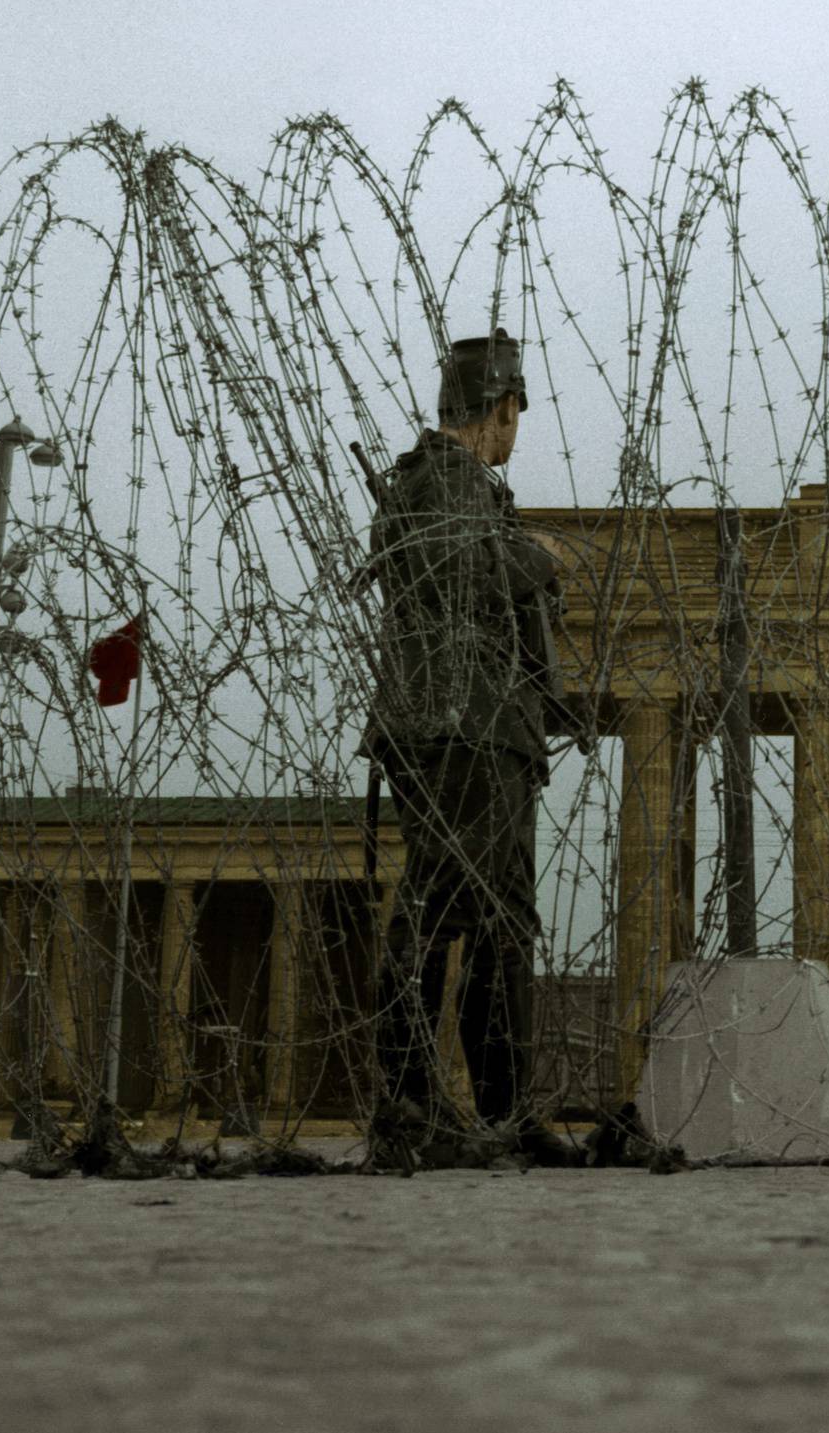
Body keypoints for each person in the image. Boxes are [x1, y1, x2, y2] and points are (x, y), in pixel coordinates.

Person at [364, 328, 577, 1167]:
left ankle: (482, 1109)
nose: (514, 432)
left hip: (477, 724)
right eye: (514, 413)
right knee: (455, 910)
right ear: (499, 408)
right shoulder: (444, 479)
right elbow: (463, 573)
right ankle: (427, 1106)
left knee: (488, 917)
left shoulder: (445, 484)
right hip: (465, 726)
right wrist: (539, 559)